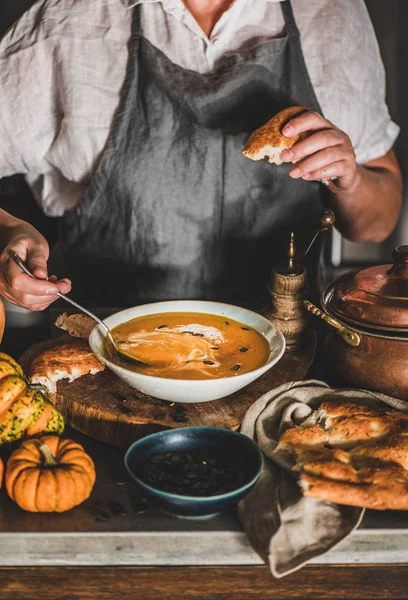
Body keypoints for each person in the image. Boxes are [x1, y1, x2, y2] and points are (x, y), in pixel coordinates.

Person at [0, 0, 402, 310]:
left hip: (289, 357)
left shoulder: (329, 13)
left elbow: (374, 225)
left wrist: (350, 178)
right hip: (105, 360)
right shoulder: (68, 21)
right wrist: (8, 234)